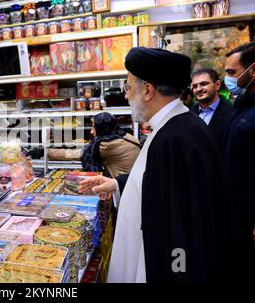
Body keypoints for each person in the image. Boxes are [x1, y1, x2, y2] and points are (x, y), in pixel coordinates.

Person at [79, 47, 232, 283]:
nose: (127, 96)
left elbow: (180, 228)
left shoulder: (174, 139)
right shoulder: (175, 126)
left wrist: (177, 272)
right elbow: (158, 183)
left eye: (129, 88)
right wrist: (116, 183)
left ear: (148, 91)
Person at [223, 42, 255, 282]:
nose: (227, 79)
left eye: (232, 73)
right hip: (235, 215)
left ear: (252, 70)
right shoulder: (241, 105)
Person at [81, 112, 140, 178]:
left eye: (94, 127)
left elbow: (82, 153)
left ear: (102, 128)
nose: (91, 131)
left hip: (122, 184)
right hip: (135, 179)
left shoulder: (106, 146)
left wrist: (67, 154)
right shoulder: (128, 136)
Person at [190, 68, 233, 153]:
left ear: (217, 85)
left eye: (204, 84)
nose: (198, 89)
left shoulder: (231, 112)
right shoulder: (190, 111)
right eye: (195, 86)